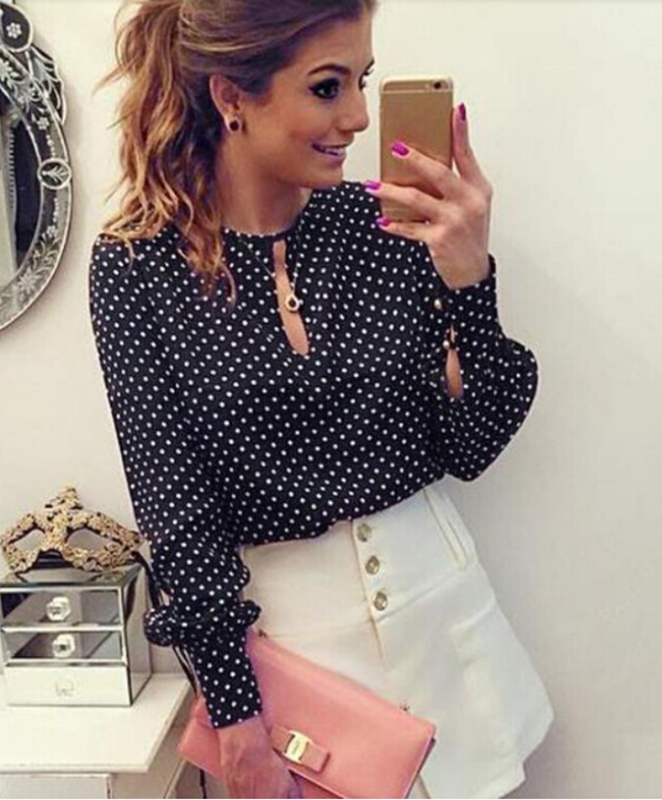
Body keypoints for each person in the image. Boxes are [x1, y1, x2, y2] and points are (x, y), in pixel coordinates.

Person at [88, 0, 555, 797]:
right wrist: (235, 715)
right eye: (327, 87)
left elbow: (473, 444)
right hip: (300, 665)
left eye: (364, 81)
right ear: (233, 96)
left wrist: (471, 279)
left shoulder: (385, 229)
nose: (359, 117)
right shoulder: (138, 269)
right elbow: (175, 507)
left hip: (447, 620)